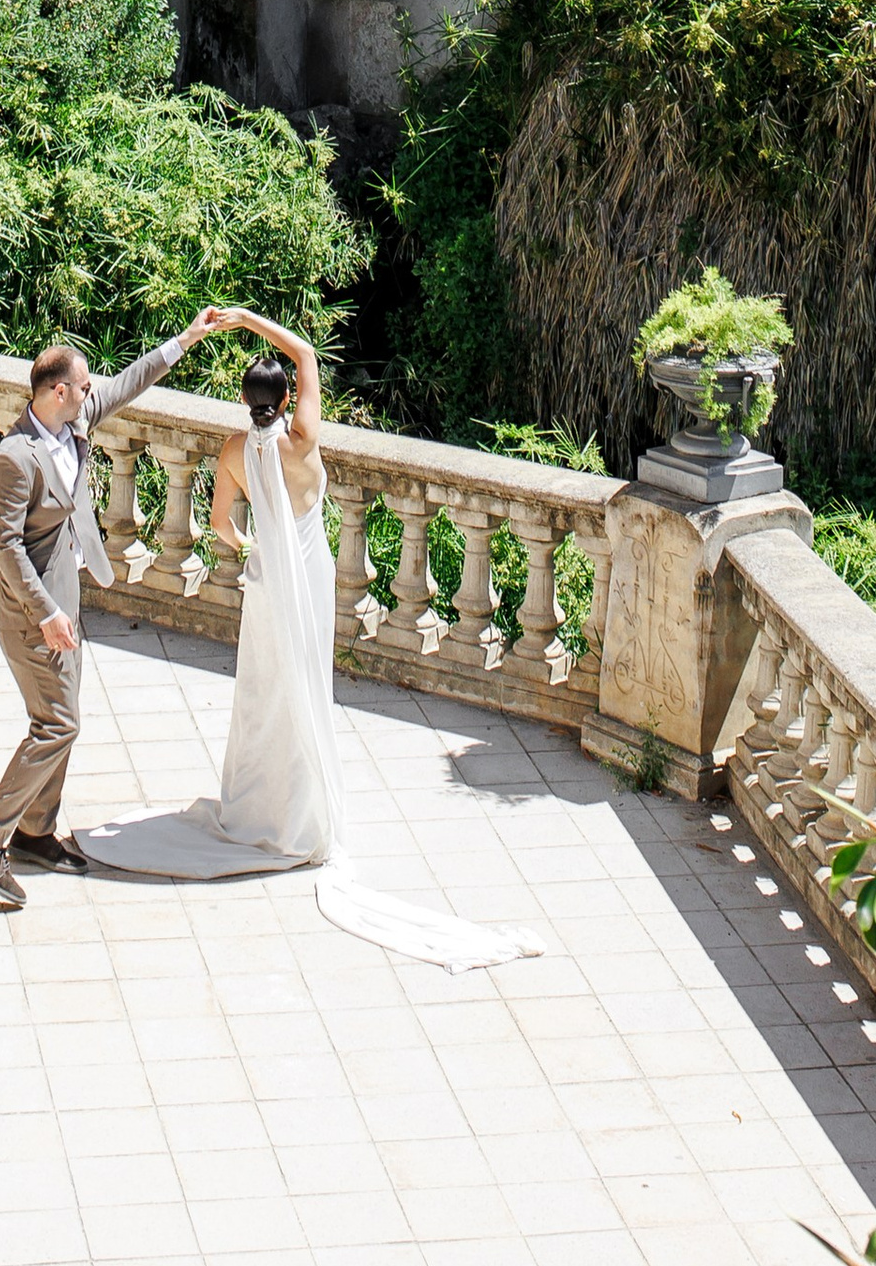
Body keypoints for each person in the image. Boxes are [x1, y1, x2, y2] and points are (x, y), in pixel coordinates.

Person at [82, 311, 541, 971]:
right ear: (285, 401)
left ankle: (257, 807)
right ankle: (304, 808)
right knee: (304, 683)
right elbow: (306, 355)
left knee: (262, 693)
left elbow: (222, 527)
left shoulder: (234, 452)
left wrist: (256, 544)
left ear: (245, 402)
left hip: (269, 580)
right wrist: (250, 321)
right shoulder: (303, 442)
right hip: (310, 573)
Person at [0, 309, 233, 904]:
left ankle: (35, 832)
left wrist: (186, 339)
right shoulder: (15, 458)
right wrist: (46, 613)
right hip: (33, 616)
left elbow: (128, 382)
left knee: (63, 721)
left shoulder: (74, 422)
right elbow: (4, 546)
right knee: (58, 724)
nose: (91, 392)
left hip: (67, 602)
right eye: (83, 386)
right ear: (58, 391)